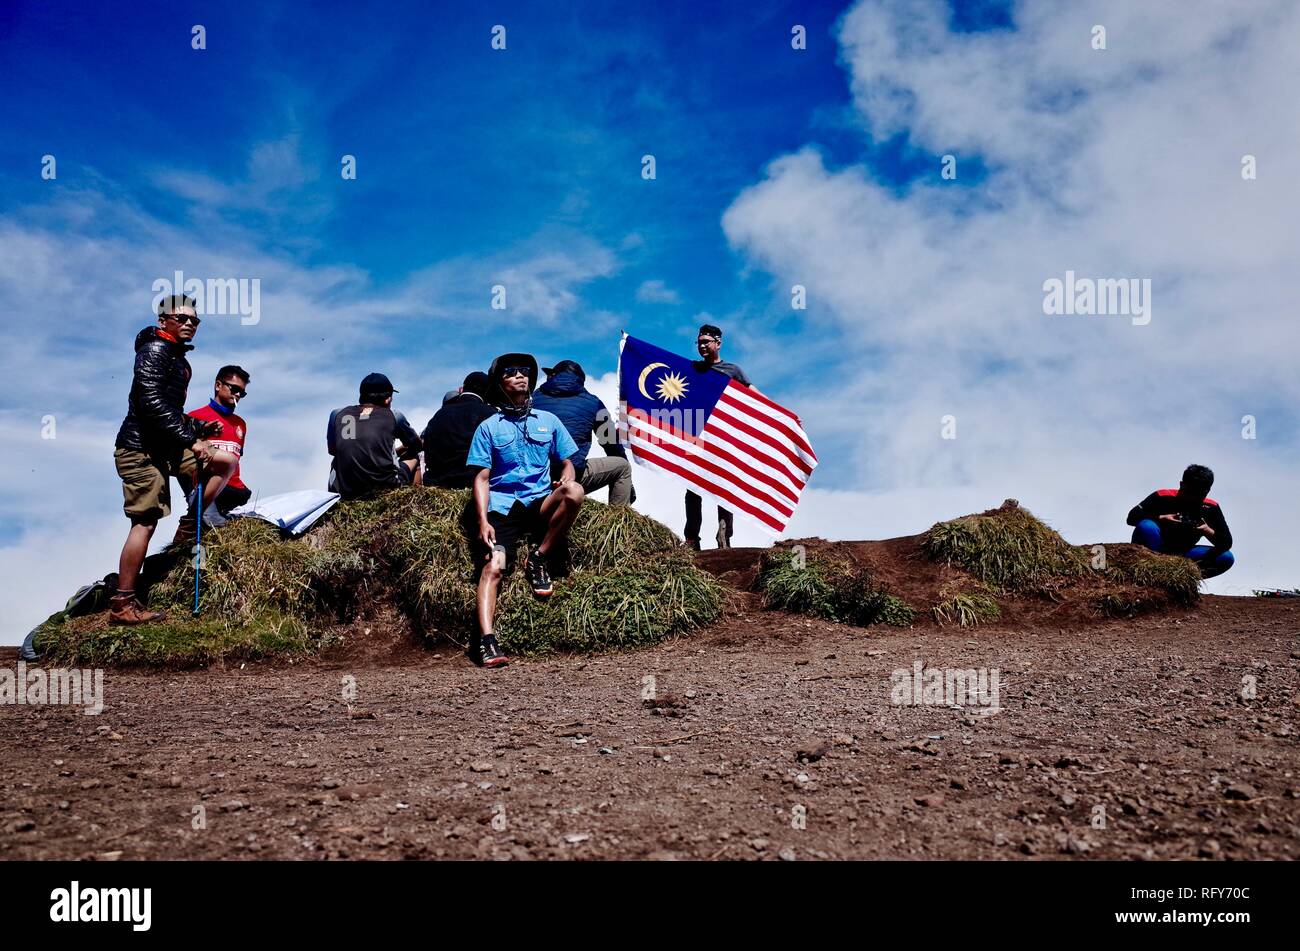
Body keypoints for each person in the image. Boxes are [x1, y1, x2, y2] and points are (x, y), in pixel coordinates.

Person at [110, 295, 236, 625]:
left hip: (165, 444)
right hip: (139, 449)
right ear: (163, 319)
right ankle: (123, 603)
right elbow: (149, 404)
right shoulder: (155, 350)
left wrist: (197, 426)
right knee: (145, 522)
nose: (190, 324)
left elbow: (171, 410)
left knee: (224, 461)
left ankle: (189, 524)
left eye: (195, 320)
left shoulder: (177, 357)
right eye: (182, 318)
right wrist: (192, 439)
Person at [466, 353, 584, 669]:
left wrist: (568, 473)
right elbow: (481, 477)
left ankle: (540, 556)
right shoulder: (488, 427)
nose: (520, 375)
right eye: (510, 372)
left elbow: (568, 460)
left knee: (574, 491)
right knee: (494, 567)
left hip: (539, 503)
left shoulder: (549, 421)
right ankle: (487, 642)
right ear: (500, 383)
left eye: (524, 371)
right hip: (503, 510)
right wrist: (483, 520)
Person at [684, 323, 761, 549]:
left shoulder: (732, 370)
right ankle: (691, 538)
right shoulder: (692, 368)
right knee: (693, 486)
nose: (702, 346)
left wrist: (785, 416)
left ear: (718, 343)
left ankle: (724, 537)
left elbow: (755, 395)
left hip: (723, 436)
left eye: (706, 342)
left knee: (724, 486)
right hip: (697, 434)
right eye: (699, 343)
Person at [532, 359, 634, 506]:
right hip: (570, 476)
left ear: (553, 375)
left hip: (533, 475)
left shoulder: (534, 397)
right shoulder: (593, 402)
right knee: (622, 466)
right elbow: (611, 442)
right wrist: (628, 485)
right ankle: (619, 522)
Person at [174, 366, 253, 540]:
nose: (238, 394)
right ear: (218, 385)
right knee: (200, 535)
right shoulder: (195, 417)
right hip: (208, 490)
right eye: (234, 389)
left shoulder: (241, 424)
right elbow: (183, 462)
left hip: (235, 492)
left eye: (243, 393)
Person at [1126, 464, 1234, 578]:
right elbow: (1132, 517)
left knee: (1226, 557)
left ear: (1207, 492)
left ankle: (1180, 579)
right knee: (1147, 526)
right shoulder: (1162, 496)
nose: (1193, 499)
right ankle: (1152, 572)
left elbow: (1226, 543)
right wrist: (1161, 518)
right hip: (1155, 547)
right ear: (1182, 485)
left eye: (1199, 495)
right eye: (1190, 493)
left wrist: (1207, 530)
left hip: (1183, 553)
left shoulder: (1211, 508)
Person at [327, 372, 423, 501]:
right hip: (384, 489)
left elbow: (333, 450)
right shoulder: (394, 416)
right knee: (415, 457)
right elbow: (417, 446)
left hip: (347, 491)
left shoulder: (337, 414)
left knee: (337, 460)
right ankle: (413, 502)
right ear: (387, 399)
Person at [421, 371, 495, 488]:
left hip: (438, 483)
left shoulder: (439, 414)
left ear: (462, 389)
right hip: (473, 483)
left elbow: (427, 448)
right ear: (487, 392)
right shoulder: (491, 414)